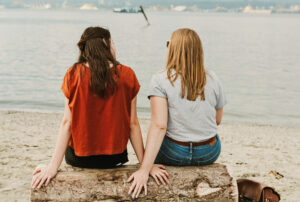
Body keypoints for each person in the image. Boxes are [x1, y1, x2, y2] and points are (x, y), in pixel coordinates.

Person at [31, 26, 167, 190]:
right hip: (114, 158)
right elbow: (133, 125)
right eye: (113, 43)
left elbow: (67, 122)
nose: (114, 47)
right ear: (106, 45)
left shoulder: (73, 74)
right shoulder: (127, 74)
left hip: (79, 158)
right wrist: (145, 165)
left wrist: (52, 166)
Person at [128, 28, 227, 198]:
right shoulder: (213, 78)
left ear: (173, 50)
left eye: (168, 45)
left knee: (156, 136)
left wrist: (144, 169)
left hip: (174, 153)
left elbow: (159, 126)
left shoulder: (160, 79)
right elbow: (217, 120)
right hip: (209, 152)